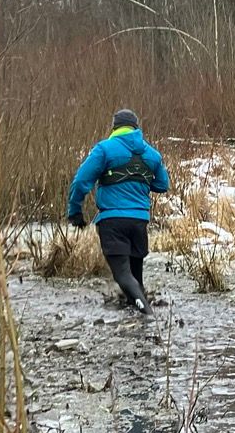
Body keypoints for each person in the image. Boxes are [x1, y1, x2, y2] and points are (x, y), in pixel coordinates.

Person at [67, 109, 170, 314]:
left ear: (114, 127)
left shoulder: (104, 149)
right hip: (139, 221)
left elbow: (81, 181)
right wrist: (138, 180)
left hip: (112, 221)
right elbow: (162, 185)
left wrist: (75, 211)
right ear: (135, 127)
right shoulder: (152, 154)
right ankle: (136, 316)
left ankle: (148, 315)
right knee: (135, 276)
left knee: (122, 274)